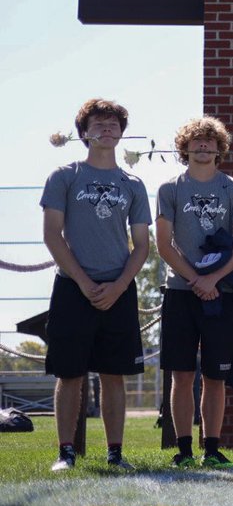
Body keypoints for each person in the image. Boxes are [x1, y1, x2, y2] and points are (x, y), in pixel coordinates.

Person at [41, 99, 151, 472]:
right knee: (69, 373)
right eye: (98, 123)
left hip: (118, 289)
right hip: (73, 287)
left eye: (113, 123)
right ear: (84, 132)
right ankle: (65, 452)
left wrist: (119, 285)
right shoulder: (64, 175)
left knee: (113, 373)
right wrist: (85, 282)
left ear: (121, 132)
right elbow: (53, 236)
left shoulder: (132, 184)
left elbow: (142, 246)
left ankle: (115, 454)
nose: (106, 128)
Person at [156, 116, 233, 469]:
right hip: (180, 292)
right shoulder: (170, 189)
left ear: (219, 147)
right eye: (196, 141)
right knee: (181, 375)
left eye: (210, 141)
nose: (203, 146)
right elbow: (163, 245)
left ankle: (212, 448)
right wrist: (196, 279)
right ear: (185, 147)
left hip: (222, 292)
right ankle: (183, 449)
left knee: (216, 377)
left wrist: (213, 280)